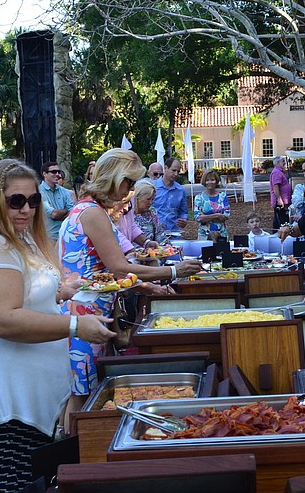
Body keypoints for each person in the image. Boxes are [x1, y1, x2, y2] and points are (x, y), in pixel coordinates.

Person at [0, 159, 116, 493]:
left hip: (20, 383)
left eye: (33, 200)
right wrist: (75, 325)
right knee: (13, 479)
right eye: (15, 201)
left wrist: (58, 291)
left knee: (23, 474)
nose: (27, 209)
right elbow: (2, 319)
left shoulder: (16, 239)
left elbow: (21, 292)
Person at [59, 149, 202, 419]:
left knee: (82, 395)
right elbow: (119, 267)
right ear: (114, 178)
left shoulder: (87, 209)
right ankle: (73, 444)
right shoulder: (92, 213)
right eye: (129, 182)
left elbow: (107, 271)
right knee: (84, 399)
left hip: (87, 311)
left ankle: (70, 441)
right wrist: (172, 270)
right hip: (85, 312)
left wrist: (148, 286)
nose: (131, 190)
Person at [39, 161, 75, 241]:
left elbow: (73, 214)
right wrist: (66, 211)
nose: (58, 174)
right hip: (48, 239)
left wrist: (59, 213)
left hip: (65, 237)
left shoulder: (64, 191)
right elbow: (54, 214)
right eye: (54, 172)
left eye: (58, 171)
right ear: (44, 174)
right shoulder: (39, 192)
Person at [153, 157, 188, 230]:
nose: (176, 174)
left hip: (173, 232)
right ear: (165, 168)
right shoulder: (153, 187)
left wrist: (184, 220)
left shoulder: (180, 190)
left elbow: (183, 211)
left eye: (178, 171)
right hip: (155, 232)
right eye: (173, 170)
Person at [194, 170, 230, 241]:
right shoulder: (199, 198)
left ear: (216, 181)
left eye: (212, 180)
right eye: (207, 180)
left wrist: (205, 216)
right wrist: (217, 215)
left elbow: (226, 215)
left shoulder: (223, 196)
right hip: (204, 235)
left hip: (221, 233)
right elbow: (198, 218)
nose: (210, 182)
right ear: (204, 182)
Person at [132, 180, 169, 245]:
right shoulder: (126, 214)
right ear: (137, 197)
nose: (151, 202)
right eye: (148, 199)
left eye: (152, 199)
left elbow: (160, 236)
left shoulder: (151, 214)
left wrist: (170, 248)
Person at [270, 156, 292, 229]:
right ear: (278, 163)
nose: (284, 163)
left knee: (284, 219)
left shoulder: (280, 172)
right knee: (280, 220)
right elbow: (275, 186)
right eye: (283, 161)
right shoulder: (276, 173)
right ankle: (278, 233)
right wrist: (279, 199)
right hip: (281, 201)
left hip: (285, 200)